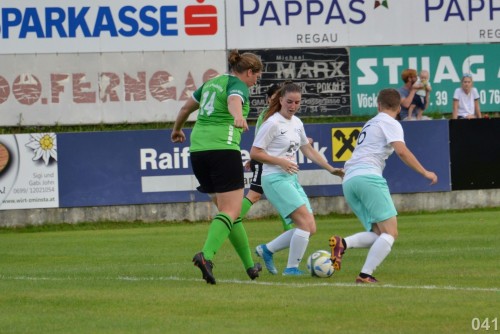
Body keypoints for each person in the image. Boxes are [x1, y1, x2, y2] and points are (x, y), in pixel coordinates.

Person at [171, 50, 263, 285]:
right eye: (256, 76)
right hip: (223, 150)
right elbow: (234, 101)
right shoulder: (238, 85)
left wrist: (177, 130)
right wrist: (237, 117)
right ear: (249, 72)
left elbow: (184, 109)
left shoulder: (211, 83)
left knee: (228, 214)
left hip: (198, 152)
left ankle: (250, 266)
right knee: (231, 211)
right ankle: (206, 256)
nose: (255, 82)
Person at [329, 88, 438, 284]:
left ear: (378, 105)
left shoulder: (370, 123)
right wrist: (425, 172)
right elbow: (402, 152)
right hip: (368, 177)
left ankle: (342, 243)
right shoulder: (391, 122)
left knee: (379, 234)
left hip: (349, 180)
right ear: (398, 109)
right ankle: (365, 275)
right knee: (390, 233)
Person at [250, 83, 344, 276]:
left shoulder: (297, 123)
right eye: (289, 102)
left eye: (297, 102)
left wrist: (330, 168)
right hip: (274, 179)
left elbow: (307, 149)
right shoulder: (272, 123)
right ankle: (291, 269)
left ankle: (267, 250)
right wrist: (280, 162)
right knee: (304, 224)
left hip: (290, 178)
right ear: (281, 101)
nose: (293, 106)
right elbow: (255, 152)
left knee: (310, 228)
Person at [240, 84, 292, 231]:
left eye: (280, 98)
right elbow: (265, 140)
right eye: (275, 98)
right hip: (266, 160)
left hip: (268, 160)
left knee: (281, 196)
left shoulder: (270, 114)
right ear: (269, 99)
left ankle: (289, 230)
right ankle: (232, 221)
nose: (279, 101)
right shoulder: (270, 115)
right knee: (254, 195)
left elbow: (260, 138)